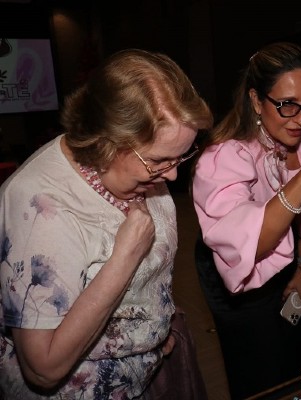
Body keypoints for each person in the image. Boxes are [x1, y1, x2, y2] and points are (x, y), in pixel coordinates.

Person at [0, 49, 213, 398]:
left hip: (147, 374)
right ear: (107, 141)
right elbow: (43, 368)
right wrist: (125, 258)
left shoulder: (139, 170)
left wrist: (159, 326)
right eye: (160, 161)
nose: (172, 175)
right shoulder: (39, 210)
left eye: (182, 156)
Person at [192, 42, 301, 399]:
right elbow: (252, 243)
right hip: (234, 264)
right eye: (286, 105)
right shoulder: (224, 157)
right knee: (257, 369)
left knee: (293, 356)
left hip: (288, 255)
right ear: (255, 100)